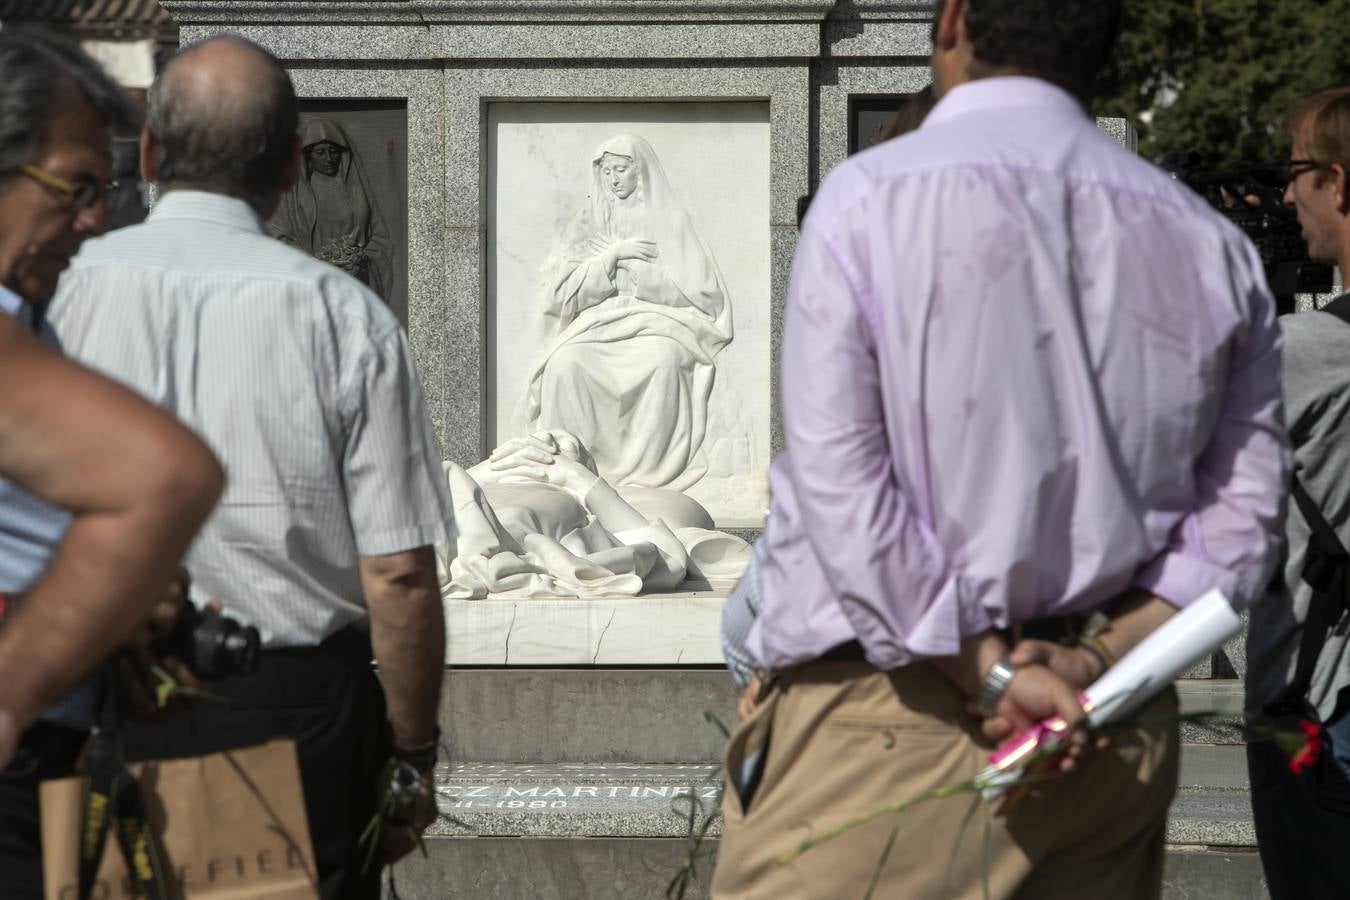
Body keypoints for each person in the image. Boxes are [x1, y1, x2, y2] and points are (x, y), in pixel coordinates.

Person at [710, 1, 1288, 897]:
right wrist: (1096, 658)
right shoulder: (1212, 246)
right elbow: (1241, 527)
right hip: (1106, 732)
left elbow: (845, 495)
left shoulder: (870, 199)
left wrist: (993, 674)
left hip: (900, 723)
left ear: (950, 22)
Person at [48, 34, 455, 900]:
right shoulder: (346, 318)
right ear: (292, 168)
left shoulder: (63, 289)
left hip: (92, 697)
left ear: (150, 151)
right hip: (286, 709)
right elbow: (400, 575)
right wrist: (413, 754)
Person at [0, 29, 225, 898]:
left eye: (108, 189)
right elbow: (165, 475)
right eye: (76, 188)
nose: (95, 221)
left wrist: (121, 603)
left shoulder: (32, 316)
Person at [1245, 85, 1350, 900]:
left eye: (1298, 171)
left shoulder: (1303, 352)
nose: (1285, 193)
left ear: (1340, 182)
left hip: (1310, 715)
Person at [525, 134, 734, 492]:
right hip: (599, 321)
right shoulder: (589, 221)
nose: (613, 179)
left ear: (641, 172)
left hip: (656, 321)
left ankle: (646, 473)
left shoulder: (666, 218)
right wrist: (611, 258)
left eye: (621, 169)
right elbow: (558, 290)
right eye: (607, 172)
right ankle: (576, 469)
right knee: (565, 365)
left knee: (665, 361)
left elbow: (697, 289)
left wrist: (640, 279)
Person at [269, 117, 392, 300]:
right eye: (320, 152)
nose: (329, 158)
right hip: (309, 285)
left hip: (353, 282)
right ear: (307, 155)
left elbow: (380, 239)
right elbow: (277, 237)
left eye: (334, 152)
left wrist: (361, 259)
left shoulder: (356, 191)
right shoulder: (291, 197)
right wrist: (317, 263)